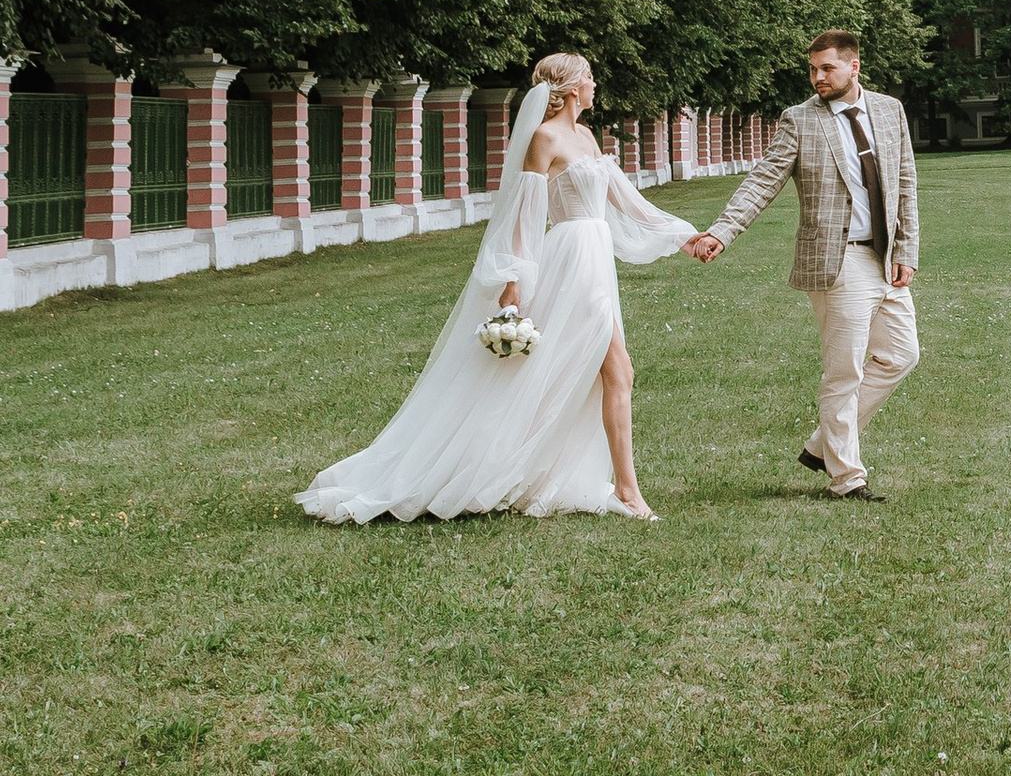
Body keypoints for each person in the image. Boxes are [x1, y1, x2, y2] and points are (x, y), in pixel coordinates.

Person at [298, 54, 706, 523]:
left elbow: (625, 201)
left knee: (596, 373)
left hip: (595, 256)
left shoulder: (588, 136)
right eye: (589, 77)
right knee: (616, 370)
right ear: (572, 87)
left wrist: (683, 237)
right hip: (570, 259)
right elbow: (524, 214)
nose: (596, 84)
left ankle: (594, 482)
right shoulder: (543, 138)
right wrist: (513, 282)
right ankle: (626, 492)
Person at [688, 30, 919, 502]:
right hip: (838, 260)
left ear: (854, 67)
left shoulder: (889, 110)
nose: (817, 78)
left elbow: (905, 183)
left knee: (901, 355)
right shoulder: (799, 121)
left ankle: (822, 444)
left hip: (885, 256)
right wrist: (722, 230)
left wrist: (906, 251)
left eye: (827, 68)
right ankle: (847, 478)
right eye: (812, 69)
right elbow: (762, 181)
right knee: (844, 371)